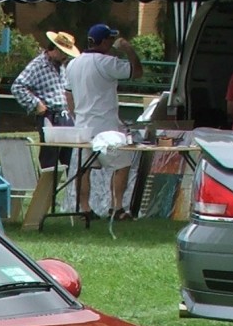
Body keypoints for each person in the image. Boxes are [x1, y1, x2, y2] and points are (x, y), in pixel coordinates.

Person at [65, 23, 142, 217]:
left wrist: (76, 116)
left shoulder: (73, 63)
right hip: (106, 126)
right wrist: (128, 49)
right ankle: (116, 207)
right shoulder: (107, 63)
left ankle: (85, 208)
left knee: (84, 169)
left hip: (83, 126)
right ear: (105, 41)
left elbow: (69, 95)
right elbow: (136, 72)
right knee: (121, 165)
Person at [10, 30, 79, 173]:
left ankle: (71, 193)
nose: (65, 56)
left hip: (65, 116)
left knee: (70, 159)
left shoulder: (61, 66)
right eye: (63, 52)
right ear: (53, 49)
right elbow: (17, 86)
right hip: (50, 116)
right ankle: (47, 193)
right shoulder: (37, 65)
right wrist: (36, 104)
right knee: (50, 161)